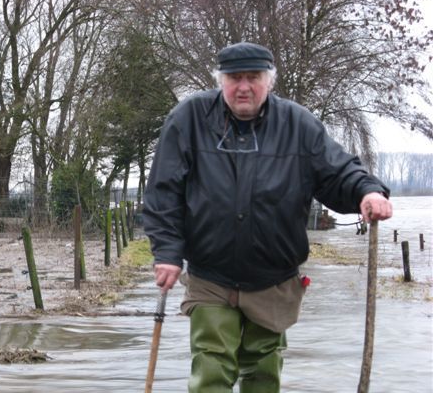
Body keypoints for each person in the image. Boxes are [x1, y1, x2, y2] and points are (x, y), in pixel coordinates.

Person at [142, 41, 392, 393]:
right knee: (211, 367)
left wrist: (367, 191)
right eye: (234, 78)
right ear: (220, 81)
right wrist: (167, 253)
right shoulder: (188, 119)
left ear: (269, 81)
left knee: (264, 371)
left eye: (253, 77)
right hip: (210, 274)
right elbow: (163, 191)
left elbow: (337, 172)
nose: (244, 86)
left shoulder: (298, 124)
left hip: (274, 276)